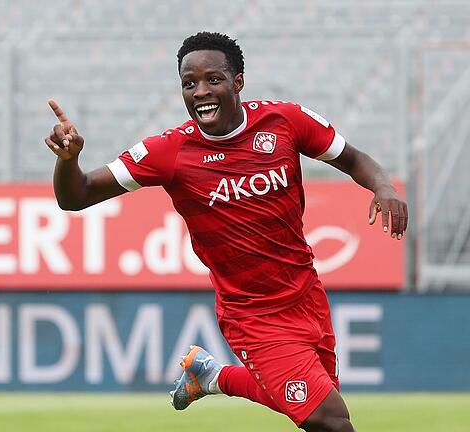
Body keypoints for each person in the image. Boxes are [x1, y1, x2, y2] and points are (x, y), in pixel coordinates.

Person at [44, 32, 407, 432]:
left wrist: (383, 187)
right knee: (332, 420)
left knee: (318, 415)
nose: (201, 92)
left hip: (308, 296)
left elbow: (354, 158)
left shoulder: (284, 121)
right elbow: (76, 196)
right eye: (189, 83)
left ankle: (212, 377)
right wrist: (68, 161)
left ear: (237, 82)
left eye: (212, 79)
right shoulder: (169, 152)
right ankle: (213, 377)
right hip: (251, 313)